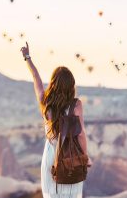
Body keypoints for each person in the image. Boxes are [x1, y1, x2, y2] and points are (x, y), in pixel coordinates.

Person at [20, 42, 92, 198]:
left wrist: (27, 58)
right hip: (71, 157)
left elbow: (36, 78)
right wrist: (85, 157)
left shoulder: (45, 102)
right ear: (71, 85)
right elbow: (81, 134)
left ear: (53, 83)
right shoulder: (76, 105)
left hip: (50, 156)